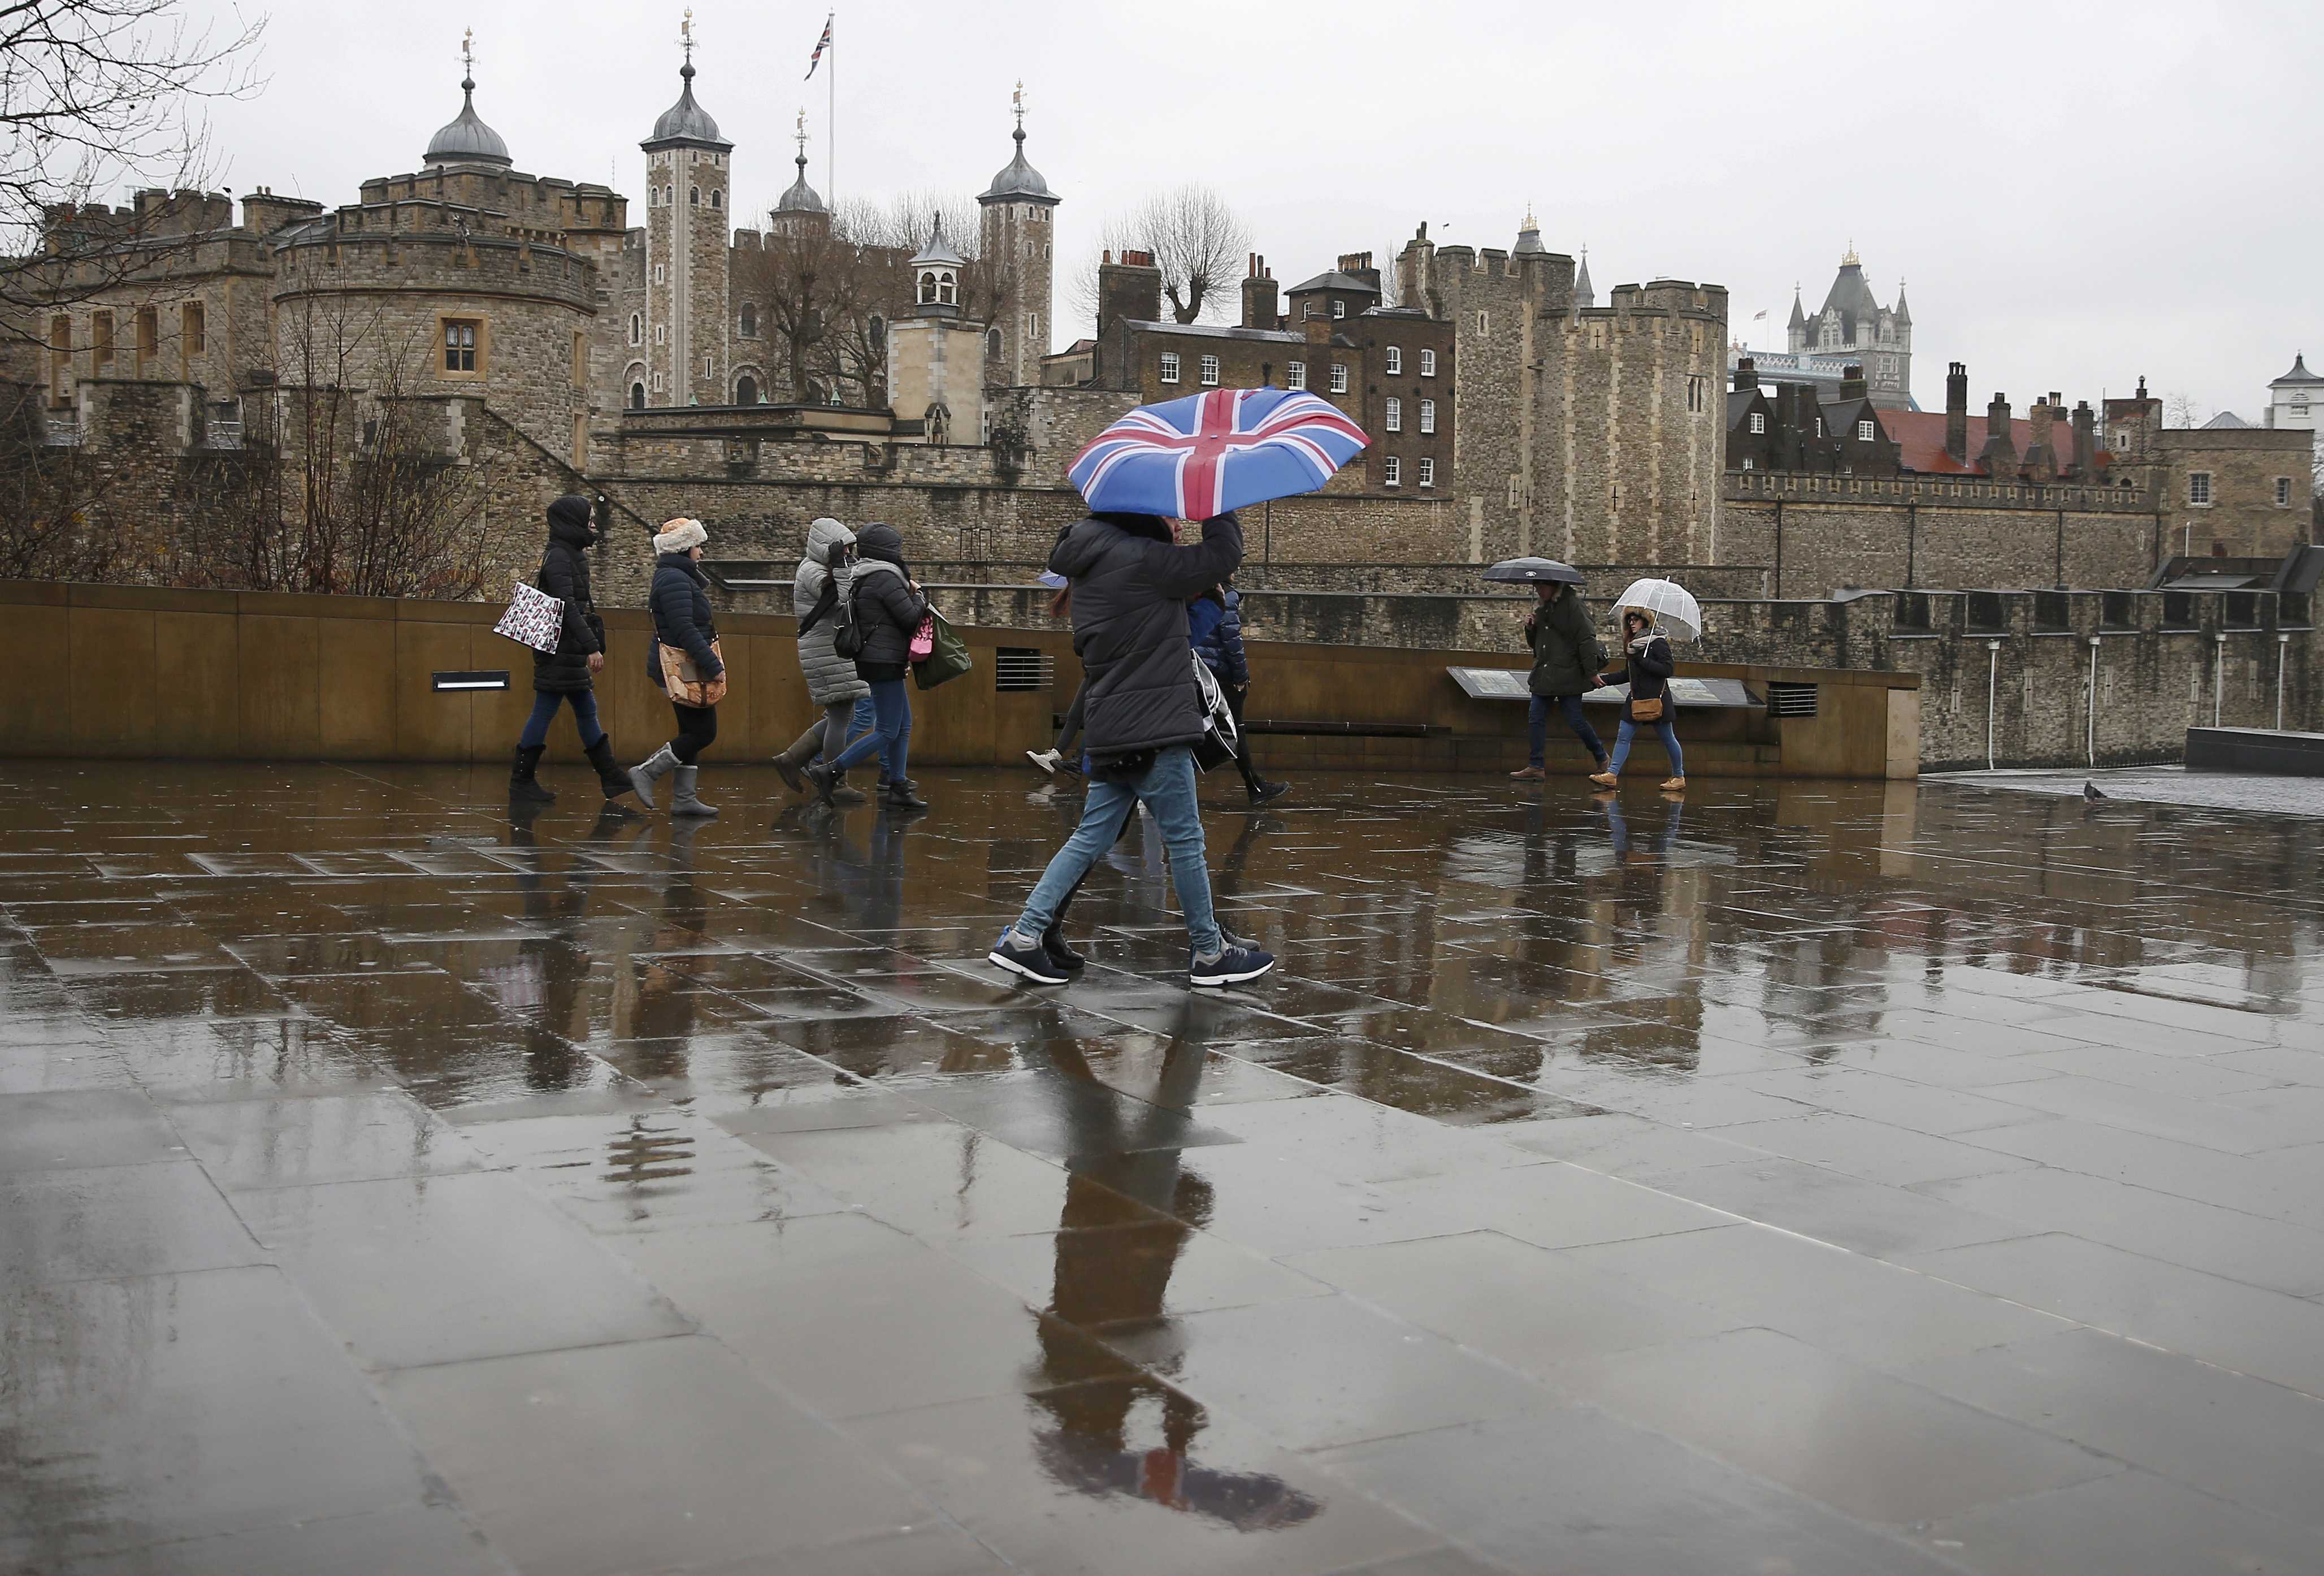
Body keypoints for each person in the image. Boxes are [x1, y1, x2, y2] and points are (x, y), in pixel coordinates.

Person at [988, 509, 1276, 989]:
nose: (1179, 525)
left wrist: (1207, 598)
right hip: (1154, 726)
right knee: (1185, 841)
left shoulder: (1095, 565)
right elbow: (1224, 554)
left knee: (1090, 838)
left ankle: (1025, 935)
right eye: (1171, 516)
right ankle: (1209, 952)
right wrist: (1219, 507)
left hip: (1112, 726)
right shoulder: (1143, 558)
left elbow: (1167, 632)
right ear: (1142, 516)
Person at [509, 493, 636, 810]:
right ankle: (522, 782)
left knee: (584, 708)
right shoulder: (560, 558)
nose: (594, 525)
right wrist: (592, 646)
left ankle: (610, 776)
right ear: (573, 522)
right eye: (589, 519)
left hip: (567, 649)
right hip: (558, 650)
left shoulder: (571, 555)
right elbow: (566, 607)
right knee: (547, 709)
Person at [807, 522, 929, 812]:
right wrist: (920, 594)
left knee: (903, 725)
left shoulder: (868, 575)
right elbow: (911, 617)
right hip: (883, 661)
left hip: (882, 658)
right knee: (888, 730)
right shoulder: (884, 578)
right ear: (887, 552)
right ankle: (830, 770)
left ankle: (897, 784)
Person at [628, 517, 724, 816]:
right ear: (683, 548)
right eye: (697, 546)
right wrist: (713, 665)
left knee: (691, 729)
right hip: (683, 664)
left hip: (685, 663)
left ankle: (684, 798)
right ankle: (647, 772)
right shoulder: (674, 580)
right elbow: (684, 629)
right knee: (704, 732)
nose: (701, 552)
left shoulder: (678, 577)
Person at [773, 516, 872, 805]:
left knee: (841, 715)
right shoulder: (812, 571)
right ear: (829, 547)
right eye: (844, 549)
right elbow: (843, 599)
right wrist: (843, 567)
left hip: (831, 651)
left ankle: (792, 759)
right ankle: (834, 780)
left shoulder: (821, 568)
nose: (849, 555)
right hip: (825, 651)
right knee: (841, 716)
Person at [1192, 579, 1287, 804]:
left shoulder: (1197, 590)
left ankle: (1255, 785)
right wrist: (1242, 677)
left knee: (1202, 730)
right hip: (1222, 676)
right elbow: (1232, 640)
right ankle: (1255, 787)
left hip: (1200, 671)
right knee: (1234, 731)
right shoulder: (1228, 596)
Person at [1511, 578, 1609, 782]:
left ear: (1554, 586)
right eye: (1537, 588)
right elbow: (1536, 645)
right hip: (1545, 673)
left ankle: (1601, 756)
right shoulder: (1543, 609)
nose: (1539, 591)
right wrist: (1531, 628)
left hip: (1569, 673)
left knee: (1574, 719)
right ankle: (1536, 765)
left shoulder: (1573, 606)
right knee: (1535, 717)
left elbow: (1587, 639)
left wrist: (1592, 672)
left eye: (1542, 587)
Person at [1590, 607, 1686, 791]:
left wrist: (1642, 661)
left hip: (1657, 701)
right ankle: (1612, 774)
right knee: (1623, 737)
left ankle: (1679, 776)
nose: (1632, 623)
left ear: (1645, 621)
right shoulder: (1634, 646)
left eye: (1636, 620)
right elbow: (1628, 674)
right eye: (1630, 620)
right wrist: (1604, 680)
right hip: (1636, 699)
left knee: (1668, 739)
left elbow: (1668, 670)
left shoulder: (1658, 644)